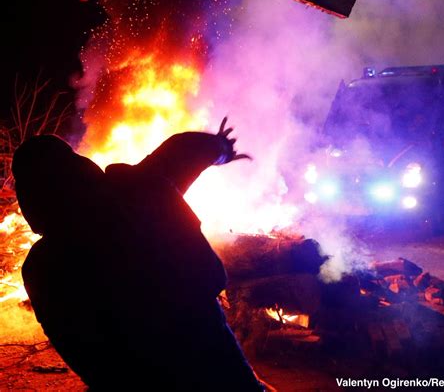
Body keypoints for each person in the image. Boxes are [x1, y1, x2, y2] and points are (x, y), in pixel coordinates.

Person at [13, 120, 268, 391]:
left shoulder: (43, 267)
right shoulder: (136, 188)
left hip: (134, 375)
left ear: (30, 198)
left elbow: (78, 345)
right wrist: (221, 148)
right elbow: (182, 151)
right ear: (79, 165)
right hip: (206, 338)